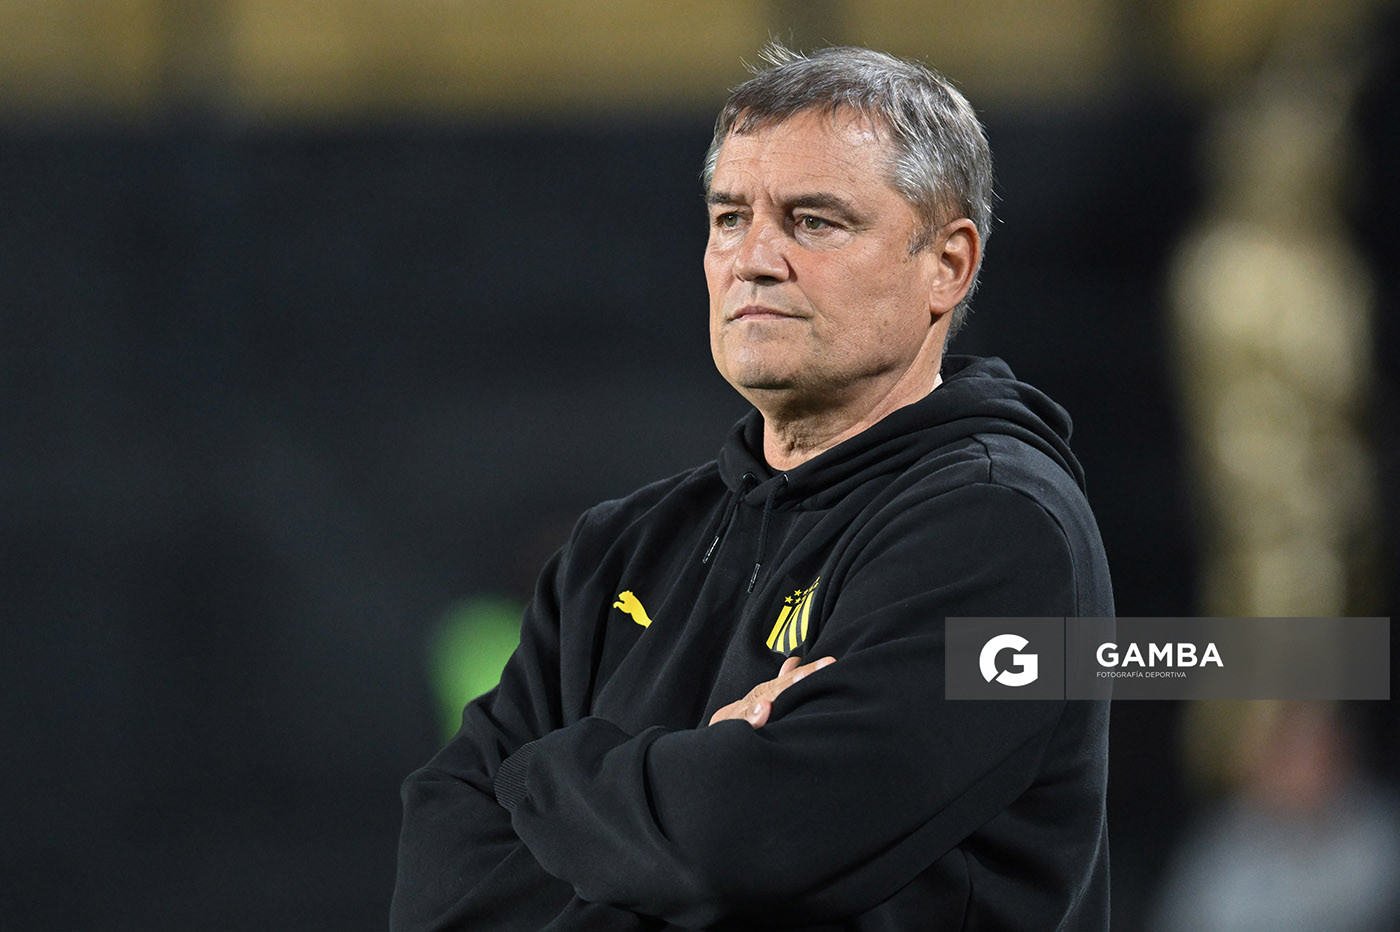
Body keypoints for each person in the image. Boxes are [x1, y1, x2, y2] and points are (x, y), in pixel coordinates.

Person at [392, 44, 1113, 931]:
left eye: (814, 221)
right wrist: (691, 779)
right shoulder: (619, 548)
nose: (754, 259)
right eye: (730, 217)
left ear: (948, 264)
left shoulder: (998, 530)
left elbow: (747, 848)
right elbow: (440, 885)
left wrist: (540, 778)